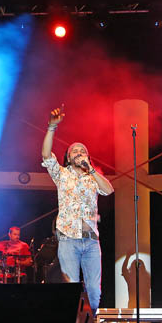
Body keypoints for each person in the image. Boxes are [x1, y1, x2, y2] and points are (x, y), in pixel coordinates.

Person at [41, 106, 114, 312]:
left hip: (91, 239)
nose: (79, 152)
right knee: (71, 285)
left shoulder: (92, 177)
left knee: (94, 289)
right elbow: (46, 155)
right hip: (68, 238)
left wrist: (90, 168)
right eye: (75, 150)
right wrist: (52, 128)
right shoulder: (62, 174)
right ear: (68, 156)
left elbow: (108, 190)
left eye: (83, 151)